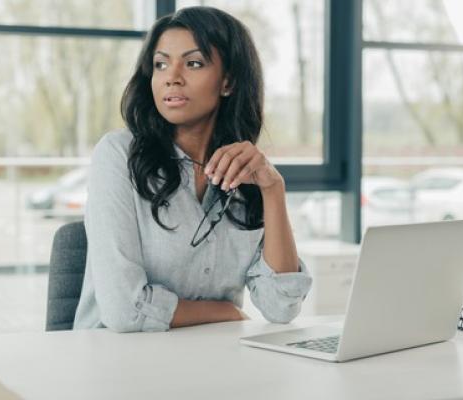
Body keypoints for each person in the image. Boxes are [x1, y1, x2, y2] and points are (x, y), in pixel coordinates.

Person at [73, 6, 312, 333]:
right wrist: (225, 311)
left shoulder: (243, 171)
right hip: (116, 364)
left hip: (209, 362)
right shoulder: (118, 155)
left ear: (227, 82)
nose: (172, 76)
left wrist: (273, 190)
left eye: (193, 63)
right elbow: (123, 311)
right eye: (160, 64)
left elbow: (280, 306)